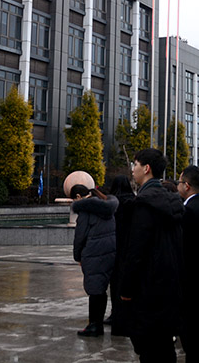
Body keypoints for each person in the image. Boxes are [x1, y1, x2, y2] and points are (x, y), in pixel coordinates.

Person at [120, 148, 184, 362]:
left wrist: (126, 289)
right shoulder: (173, 201)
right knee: (164, 347)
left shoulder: (144, 204)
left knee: (150, 349)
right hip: (171, 286)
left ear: (146, 168)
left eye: (135, 164)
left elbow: (136, 251)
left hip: (147, 289)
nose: (133, 169)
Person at [71, 185, 119, 337]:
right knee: (102, 289)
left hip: (94, 253)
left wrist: (77, 256)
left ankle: (94, 325)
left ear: (78, 197)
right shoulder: (107, 205)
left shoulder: (86, 210)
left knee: (95, 289)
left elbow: (80, 236)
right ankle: (100, 322)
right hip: (110, 251)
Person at [178, 165, 199, 363]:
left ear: (187, 186)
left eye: (180, 182)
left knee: (193, 340)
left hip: (193, 284)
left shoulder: (189, 211)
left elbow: (185, 250)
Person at [107, 175, 135, 336]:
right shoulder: (133, 202)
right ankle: (127, 317)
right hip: (129, 246)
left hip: (114, 246)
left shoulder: (112, 203)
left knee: (115, 283)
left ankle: (115, 315)